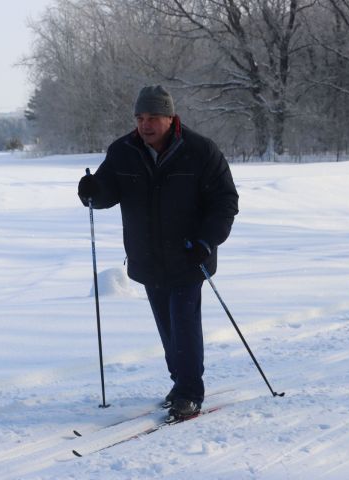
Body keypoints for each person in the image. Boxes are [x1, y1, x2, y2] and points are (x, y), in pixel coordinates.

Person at [78, 85, 239, 419]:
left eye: (152, 117)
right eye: (139, 117)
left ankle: (189, 392)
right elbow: (107, 191)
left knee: (183, 322)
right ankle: (179, 381)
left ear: (170, 117)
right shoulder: (123, 151)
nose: (145, 124)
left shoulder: (200, 151)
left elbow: (225, 202)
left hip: (189, 255)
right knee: (167, 326)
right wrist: (92, 191)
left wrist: (207, 240)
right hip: (147, 256)